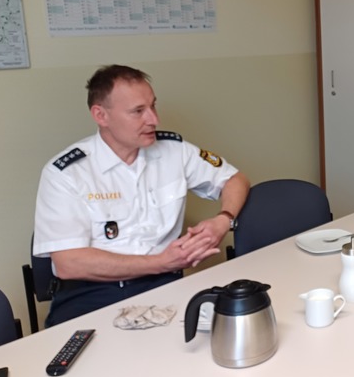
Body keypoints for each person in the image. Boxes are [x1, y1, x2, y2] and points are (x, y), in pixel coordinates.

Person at [33, 65, 250, 327]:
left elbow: (235, 180)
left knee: (209, 340)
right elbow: (70, 263)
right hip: (89, 295)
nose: (153, 119)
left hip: (162, 285)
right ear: (101, 115)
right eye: (138, 111)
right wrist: (160, 262)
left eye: (153, 106)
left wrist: (222, 220)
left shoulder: (174, 151)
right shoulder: (67, 172)